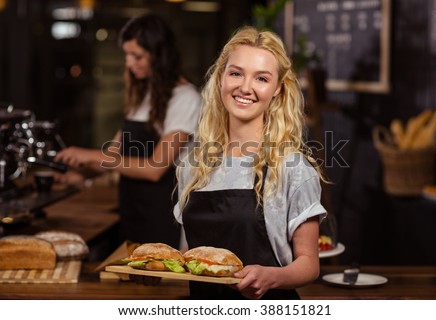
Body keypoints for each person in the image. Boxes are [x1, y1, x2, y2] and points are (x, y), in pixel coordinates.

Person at [173, 26, 327, 299]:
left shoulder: (293, 168)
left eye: (261, 79)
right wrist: (160, 270)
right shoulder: (193, 165)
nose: (245, 87)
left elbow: (309, 265)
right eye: (236, 73)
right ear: (221, 78)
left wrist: (272, 276)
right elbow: (191, 256)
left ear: (278, 89)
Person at [55, 13, 201, 248]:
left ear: (159, 55)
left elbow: (155, 168)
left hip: (163, 215)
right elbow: (114, 155)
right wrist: (79, 175)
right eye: (127, 55)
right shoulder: (142, 97)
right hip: (133, 210)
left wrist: (90, 155)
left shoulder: (185, 98)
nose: (129, 63)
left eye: (137, 56)